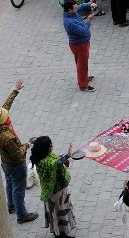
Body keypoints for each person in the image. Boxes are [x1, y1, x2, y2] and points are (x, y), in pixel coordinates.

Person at [0, 79, 39, 225]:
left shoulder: (0, 125)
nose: (8, 115)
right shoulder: (7, 137)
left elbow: (5, 106)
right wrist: (27, 146)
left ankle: (11, 207)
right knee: (18, 188)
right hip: (16, 164)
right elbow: (17, 154)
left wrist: (15, 91)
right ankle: (21, 214)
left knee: (10, 183)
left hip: (5, 163)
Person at [31, 136, 76, 238]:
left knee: (61, 212)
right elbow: (54, 163)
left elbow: (56, 160)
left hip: (60, 190)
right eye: (50, 146)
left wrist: (64, 159)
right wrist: (68, 155)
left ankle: (60, 232)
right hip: (54, 193)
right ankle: (60, 234)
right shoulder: (42, 161)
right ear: (44, 148)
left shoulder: (47, 155)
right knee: (58, 213)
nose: (52, 147)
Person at [62, 0, 96, 92]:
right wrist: (88, 20)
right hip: (80, 45)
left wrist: (89, 4)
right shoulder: (70, 22)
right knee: (82, 65)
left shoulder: (71, 13)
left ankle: (84, 78)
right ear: (69, 10)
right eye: (75, 8)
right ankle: (83, 85)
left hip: (80, 44)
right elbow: (83, 31)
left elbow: (80, 7)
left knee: (81, 63)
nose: (77, 8)